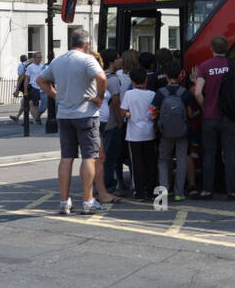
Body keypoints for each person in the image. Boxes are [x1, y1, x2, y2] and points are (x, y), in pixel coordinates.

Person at [36, 29, 114, 215]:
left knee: (66, 157)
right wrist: (99, 97)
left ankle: (64, 201)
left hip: (65, 115)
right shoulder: (87, 59)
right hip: (86, 114)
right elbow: (102, 77)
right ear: (86, 45)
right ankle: (88, 201)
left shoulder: (59, 61)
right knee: (89, 157)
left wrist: (57, 96)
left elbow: (41, 80)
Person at [194, 36, 235, 201]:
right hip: (228, 117)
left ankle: (207, 191)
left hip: (210, 117)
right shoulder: (234, 65)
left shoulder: (204, 67)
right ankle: (231, 191)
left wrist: (205, 107)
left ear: (212, 48)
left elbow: (197, 93)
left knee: (209, 154)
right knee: (230, 153)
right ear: (227, 48)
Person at [153, 64, 196, 202]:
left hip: (165, 132)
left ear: (166, 76)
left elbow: (152, 112)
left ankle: (164, 191)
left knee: (163, 160)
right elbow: (189, 113)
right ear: (180, 76)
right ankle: (179, 193)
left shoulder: (160, 93)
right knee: (182, 159)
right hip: (182, 132)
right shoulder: (185, 92)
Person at [119, 67, 158, 200]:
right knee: (150, 162)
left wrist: (128, 115)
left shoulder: (129, 94)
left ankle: (139, 192)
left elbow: (123, 112)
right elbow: (154, 113)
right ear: (146, 79)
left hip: (134, 133)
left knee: (136, 164)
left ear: (132, 80)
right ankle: (152, 190)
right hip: (149, 132)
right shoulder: (152, 94)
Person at [101, 49, 132, 194]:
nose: (121, 60)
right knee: (110, 157)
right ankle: (108, 186)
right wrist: (121, 120)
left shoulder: (101, 75)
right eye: (118, 58)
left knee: (103, 155)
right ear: (112, 62)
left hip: (102, 121)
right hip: (112, 122)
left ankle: (102, 185)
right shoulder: (112, 78)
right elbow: (115, 101)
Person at [24, 51, 46, 123]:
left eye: (40, 58)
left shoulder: (43, 67)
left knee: (45, 103)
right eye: (38, 57)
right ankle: (36, 119)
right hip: (34, 87)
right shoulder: (30, 67)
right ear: (34, 58)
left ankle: (37, 116)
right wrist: (25, 90)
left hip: (42, 88)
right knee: (35, 104)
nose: (39, 59)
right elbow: (27, 79)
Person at [9, 54, 30, 123]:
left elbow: (20, 75)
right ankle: (18, 116)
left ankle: (35, 117)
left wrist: (17, 88)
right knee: (25, 100)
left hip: (24, 82)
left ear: (21, 60)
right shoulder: (30, 64)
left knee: (27, 101)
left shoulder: (21, 65)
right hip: (30, 83)